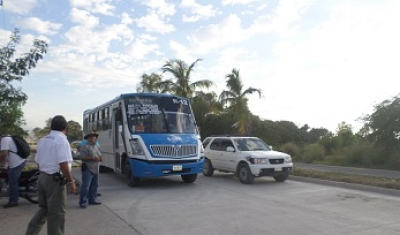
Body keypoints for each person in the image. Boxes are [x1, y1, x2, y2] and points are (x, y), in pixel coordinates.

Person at [25, 115, 76, 235]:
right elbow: (63, 163)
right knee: (56, 214)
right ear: (65, 128)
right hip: (55, 180)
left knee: (44, 209)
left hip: (42, 178)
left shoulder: (43, 140)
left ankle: (31, 232)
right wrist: (71, 181)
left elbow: (38, 160)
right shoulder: (62, 140)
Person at [0, 132, 27, 208]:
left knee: (13, 181)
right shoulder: (8, 137)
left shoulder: (4, 140)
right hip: (19, 161)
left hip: (16, 163)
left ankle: (13, 201)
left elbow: (4, 154)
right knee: (7, 175)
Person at [78, 131, 102, 208]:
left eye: (94, 136)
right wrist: (92, 158)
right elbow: (82, 157)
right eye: (90, 137)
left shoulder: (96, 146)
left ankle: (93, 199)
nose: (92, 138)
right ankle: (83, 201)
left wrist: (100, 158)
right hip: (87, 168)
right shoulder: (84, 147)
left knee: (95, 185)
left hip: (95, 167)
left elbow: (99, 155)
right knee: (86, 186)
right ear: (87, 138)